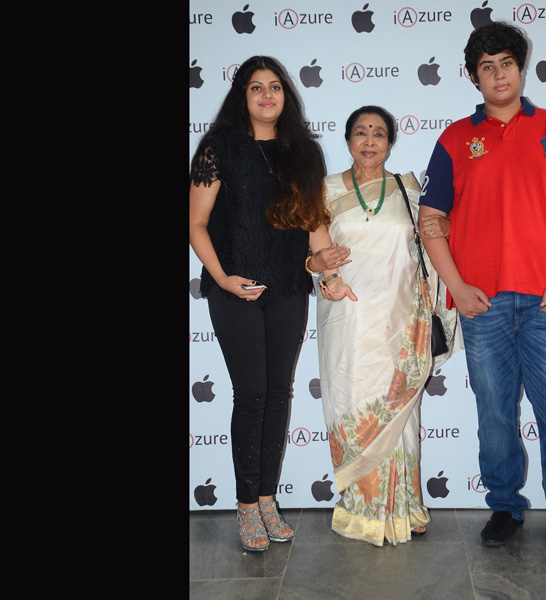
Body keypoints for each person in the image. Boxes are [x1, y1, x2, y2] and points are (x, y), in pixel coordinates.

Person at [418, 22, 546, 556]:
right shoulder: (455, 139)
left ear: (521, 69)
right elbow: (431, 218)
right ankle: (504, 505)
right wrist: (456, 285)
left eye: (506, 63)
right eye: (486, 66)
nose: (498, 74)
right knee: (495, 409)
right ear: (473, 77)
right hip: (484, 303)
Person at [189, 55, 350, 553]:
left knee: (279, 393)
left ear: (286, 96)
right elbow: (195, 223)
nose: (266, 95)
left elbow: (312, 221)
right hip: (233, 286)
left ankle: (266, 500)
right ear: (242, 94)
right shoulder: (218, 149)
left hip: (285, 287)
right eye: (256, 87)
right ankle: (244, 505)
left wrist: (328, 267)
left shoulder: (302, 151)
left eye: (275, 87)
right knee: (252, 393)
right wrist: (222, 279)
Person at [308, 105, 456, 547]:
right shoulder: (324, 190)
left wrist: (445, 224)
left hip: (399, 318)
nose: (369, 140)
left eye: (378, 133)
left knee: (400, 417)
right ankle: (363, 513)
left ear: (390, 142)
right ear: (348, 140)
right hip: (348, 319)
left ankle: (405, 508)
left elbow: (434, 242)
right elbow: (313, 255)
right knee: (354, 401)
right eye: (360, 132)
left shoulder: (409, 189)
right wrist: (316, 265)